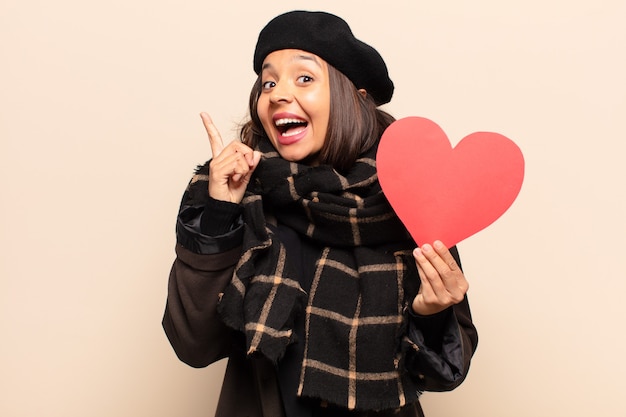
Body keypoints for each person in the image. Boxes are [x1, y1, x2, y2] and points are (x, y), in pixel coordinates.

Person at [162, 10, 478, 417]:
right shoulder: (240, 193)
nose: (277, 93)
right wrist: (220, 212)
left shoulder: (412, 198)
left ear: (354, 96)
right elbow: (194, 345)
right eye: (268, 82)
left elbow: (445, 374)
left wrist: (432, 316)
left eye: (304, 78)